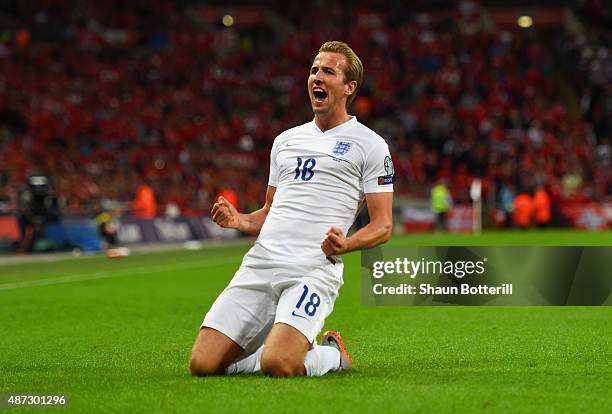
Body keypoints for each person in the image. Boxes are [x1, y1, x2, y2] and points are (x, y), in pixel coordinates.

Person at [189, 41, 394, 377]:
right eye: (314, 70)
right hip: (262, 262)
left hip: (312, 270)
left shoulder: (370, 145)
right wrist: (238, 220)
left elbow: (383, 226)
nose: (317, 77)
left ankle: (331, 354)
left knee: (280, 364)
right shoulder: (285, 141)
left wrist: (348, 244)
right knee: (202, 365)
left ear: (348, 87)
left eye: (328, 71)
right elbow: (269, 209)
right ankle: (272, 347)